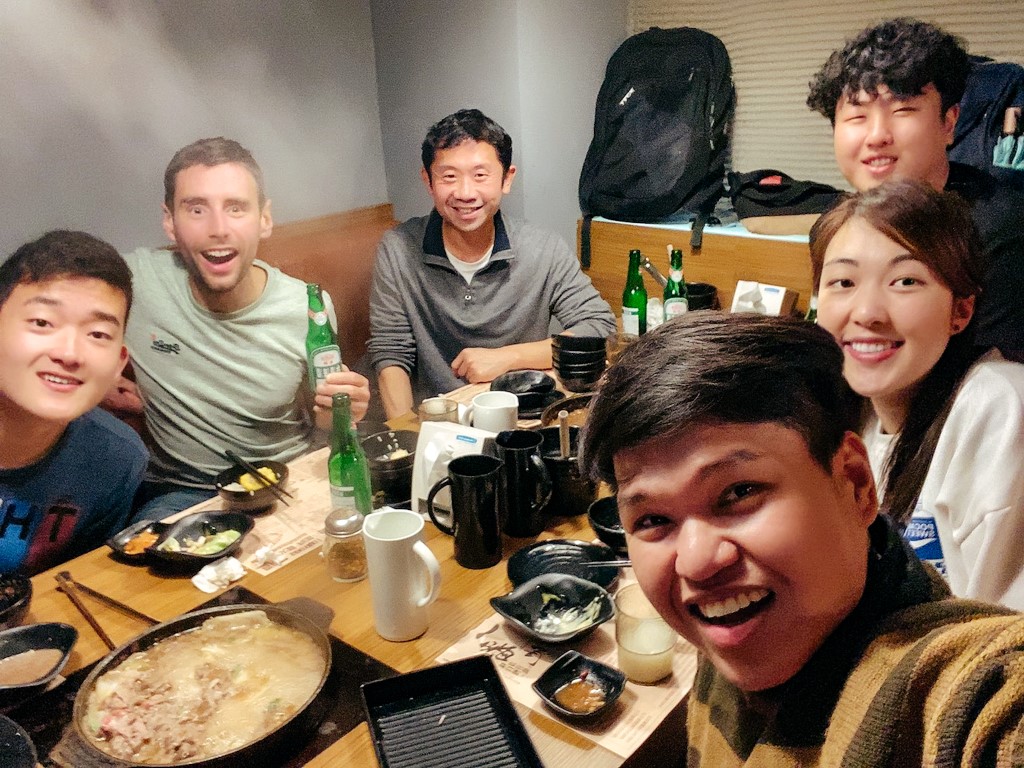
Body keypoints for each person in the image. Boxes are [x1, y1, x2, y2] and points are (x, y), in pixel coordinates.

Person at [580, 311, 1024, 767]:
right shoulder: (744, 627)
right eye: (653, 519)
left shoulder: (963, 692)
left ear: (855, 483)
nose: (695, 563)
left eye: (739, 492)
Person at [111, 137, 371, 520]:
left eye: (236, 208)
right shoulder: (133, 282)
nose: (218, 228)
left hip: (284, 483)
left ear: (264, 219)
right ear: (169, 221)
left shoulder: (307, 307)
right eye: (196, 209)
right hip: (183, 496)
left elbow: (322, 422)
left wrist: (342, 410)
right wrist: (95, 384)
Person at [811, 179, 1024, 608]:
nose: (867, 312)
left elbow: (999, 638)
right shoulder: (853, 421)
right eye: (843, 282)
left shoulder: (1000, 408)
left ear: (960, 311)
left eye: (905, 281)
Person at [368, 109, 615, 418]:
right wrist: (408, 435)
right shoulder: (398, 248)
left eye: (480, 175)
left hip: (523, 420)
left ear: (506, 178)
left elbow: (600, 330)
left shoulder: (542, 248)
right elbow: (391, 353)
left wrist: (509, 357)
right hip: (440, 420)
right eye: (449, 176)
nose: (465, 193)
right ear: (428, 182)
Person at [808, 17, 1024, 357]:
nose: (877, 136)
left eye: (903, 109)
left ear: (949, 123)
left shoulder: (1000, 227)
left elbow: (996, 380)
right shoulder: (835, 227)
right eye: (856, 116)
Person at [0, 231, 147, 574]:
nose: (69, 353)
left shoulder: (116, 462)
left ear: (118, 363)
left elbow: (71, 587)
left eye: (97, 334)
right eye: (42, 322)